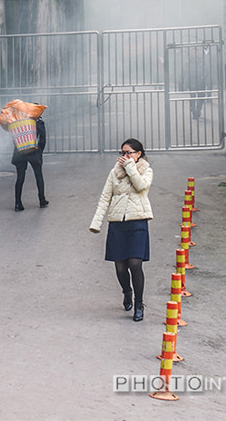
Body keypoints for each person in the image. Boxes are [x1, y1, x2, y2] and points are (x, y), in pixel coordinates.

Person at [88, 138, 154, 322]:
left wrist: (131, 167)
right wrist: (96, 222)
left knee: (135, 263)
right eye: (122, 153)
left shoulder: (145, 170)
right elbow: (104, 198)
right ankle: (127, 292)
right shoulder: (114, 173)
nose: (125, 156)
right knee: (120, 267)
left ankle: (139, 304)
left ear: (138, 154)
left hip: (137, 222)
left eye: (129, 153)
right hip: (117, 223)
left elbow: (141, 186)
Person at [11, 116, 48, 211]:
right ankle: (42, 200)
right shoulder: (39, 122)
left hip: (20, 152)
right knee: (38, 175)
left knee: (20, 177)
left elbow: (14, 138)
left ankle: (17, 203)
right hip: (34, 152)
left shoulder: (19, 122)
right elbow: (42, 139)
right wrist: (39, 151)